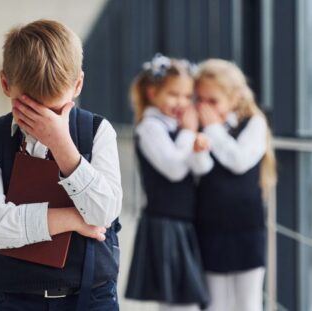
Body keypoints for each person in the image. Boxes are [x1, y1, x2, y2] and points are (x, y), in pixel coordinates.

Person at [0, 19, 122, 311]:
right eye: (29, 108)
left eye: (53, 111)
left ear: (77, 84)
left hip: (91, 295)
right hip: (15, 299)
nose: (44, 123)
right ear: (5, 84)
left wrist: (62, 145)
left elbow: (105, 211)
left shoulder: (98, 131)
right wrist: (75, 220)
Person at [125, 54, 211, 311]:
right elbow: (174, 169)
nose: (182, 103)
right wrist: (188, 132)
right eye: (174, 94)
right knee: (178, 303)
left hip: (180, 221)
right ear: (153, 93)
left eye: (187, 96)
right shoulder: (150, 127)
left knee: (181, 300)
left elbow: (200, 168)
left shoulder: (174, 127)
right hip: (165, 222)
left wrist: (195, 143)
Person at [194, 59, 277, 311]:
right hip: (210, 224)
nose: (205, 108)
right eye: (201, 100)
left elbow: (239, 161)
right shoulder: (201, 128)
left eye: (213, 101)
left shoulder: (254, 123)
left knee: (248, 303)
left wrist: (213, 129)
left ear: (235, 98)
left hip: (246, 225)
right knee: (214, 302)